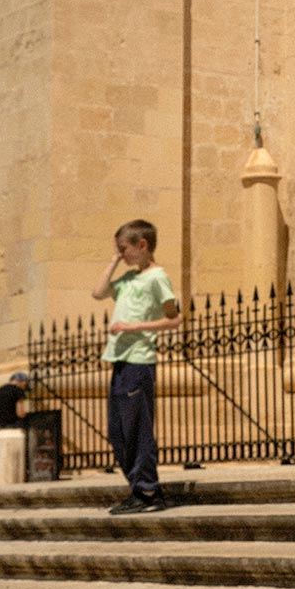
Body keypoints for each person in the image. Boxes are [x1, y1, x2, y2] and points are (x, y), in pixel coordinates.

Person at [92, 220, 180, 514]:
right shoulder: (129, 279)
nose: (122, 254)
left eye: (124, 249)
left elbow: (175, 318)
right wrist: (115, 260)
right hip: (119, 360)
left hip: (139, 361)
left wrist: (133, 326)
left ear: (142, 245)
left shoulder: (157, 278)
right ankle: (137, 488)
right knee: (117, 431)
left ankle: (148, 492)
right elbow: (98, 292)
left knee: (137, 428)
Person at [0, 368, 28, 487]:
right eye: (25, 384)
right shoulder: (18, 391)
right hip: (14, 425)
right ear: (20, 381)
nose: (24, 387)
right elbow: (20, 411)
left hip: (1, 426)